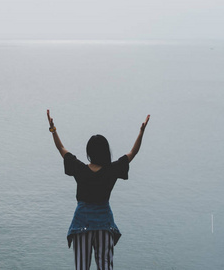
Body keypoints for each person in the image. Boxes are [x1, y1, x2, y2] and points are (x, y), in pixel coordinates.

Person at [47, 110, 150, 270]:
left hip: (82, 223)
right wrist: (141, 132)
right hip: (104, 224)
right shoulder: (112, 170)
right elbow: (133, 152)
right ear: (105, 151)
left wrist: (53, 129)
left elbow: (61, 148)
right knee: (105, 266)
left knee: (82, 267)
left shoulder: (79, 168)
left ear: (89, 152)